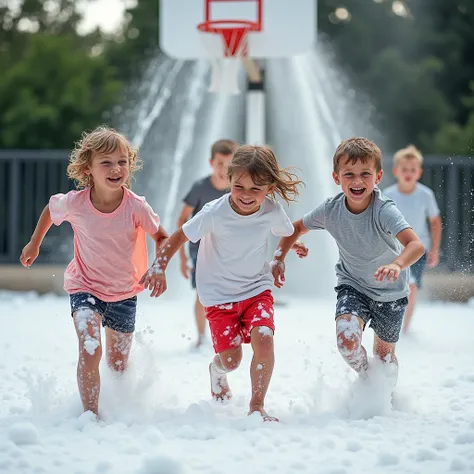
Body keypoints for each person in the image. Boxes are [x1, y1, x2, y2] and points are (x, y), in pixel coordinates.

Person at [141, 145, 307, 421]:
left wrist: (289, 250)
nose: (246, 195)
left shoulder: (271, 209)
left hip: (257, 288)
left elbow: (286, 232)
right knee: (231, 361)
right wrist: (159, 266)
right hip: (219, 296)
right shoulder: (213, 212)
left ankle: (257, 405)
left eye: (256, 189)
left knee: (264, 342)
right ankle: (216, 371)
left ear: (269, 188)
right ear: (229, 179)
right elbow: (180, 236)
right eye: (239, 186)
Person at [20, 126, 168, 417]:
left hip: (124, 292)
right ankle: (90, 414)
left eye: (122, 161)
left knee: (118, 365)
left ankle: (120, 405)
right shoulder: (76, 202)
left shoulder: (136, 207)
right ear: (88, 168)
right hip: (84, 286)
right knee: (90, 348)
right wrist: (34, 243)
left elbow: (163, 237)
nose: (116, 168)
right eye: (107, 162)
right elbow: (51, 210)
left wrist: (158, 268)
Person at [271, 137, 425, 389]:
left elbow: (416, 245)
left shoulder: (383, 209)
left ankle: (383, 393)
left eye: (365, 173)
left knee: (385, 356)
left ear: (378, 177)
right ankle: (368, 381)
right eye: (349, 174)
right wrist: (279, 258)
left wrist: (397, 265)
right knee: (346, 341)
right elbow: (295, 228)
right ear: (336, 177)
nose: (357, 181)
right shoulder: (331, 210)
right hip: (352, 285)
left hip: (391, 293)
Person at [177, 139, 238, 348]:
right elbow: (182, 219)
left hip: (228, 250)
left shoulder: (238, 190)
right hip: (199, 250)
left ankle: (226, 335)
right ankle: (202, 338)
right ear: (211, 162)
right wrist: (182, 257)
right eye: (220, 163)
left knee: (230, 292)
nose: (224, 169)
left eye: (230, 163)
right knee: (202, 294)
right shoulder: (200, 188)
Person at [383, 145, 441, 334]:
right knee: (392, 288)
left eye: (413, 169)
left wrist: (434, 250)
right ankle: (390, 325)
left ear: (419, 172)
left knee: (412, 287)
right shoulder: (388, 195)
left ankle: (404, 329)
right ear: (396, 171)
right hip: (393, 249)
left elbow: (435, 222)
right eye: (404, 169)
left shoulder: (426, 195)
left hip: (419, 249)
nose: (408, 173)